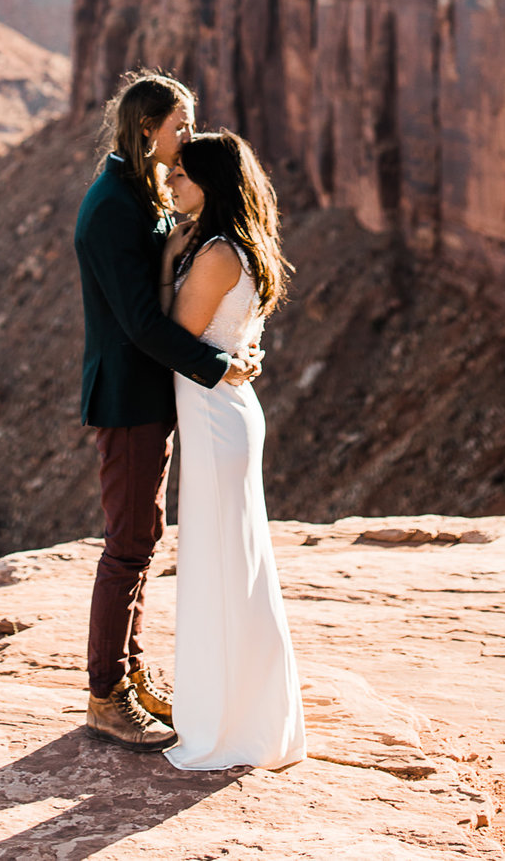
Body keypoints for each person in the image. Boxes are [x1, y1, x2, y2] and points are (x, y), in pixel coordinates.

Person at [71, 70, 262, 751]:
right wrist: (220, 366)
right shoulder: (113, 209)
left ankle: (130, 671)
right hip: (128, 398)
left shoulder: (137, 190)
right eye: (181, 125)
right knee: (127, 541)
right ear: (148, 128)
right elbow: (142, 325)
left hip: (150, 395)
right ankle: (105, 693)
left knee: (142, 534)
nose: (188, 138)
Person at [161, 129, 307, 770]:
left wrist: (166, 259)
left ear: (210, 185)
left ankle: (225, 728)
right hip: (226, 415)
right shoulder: (235, 244)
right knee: (235, 570)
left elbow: (174, 336)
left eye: (182, 177)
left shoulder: (218, 252)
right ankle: (247, 716)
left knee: (220, 571)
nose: (170, 185)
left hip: (218, 421)